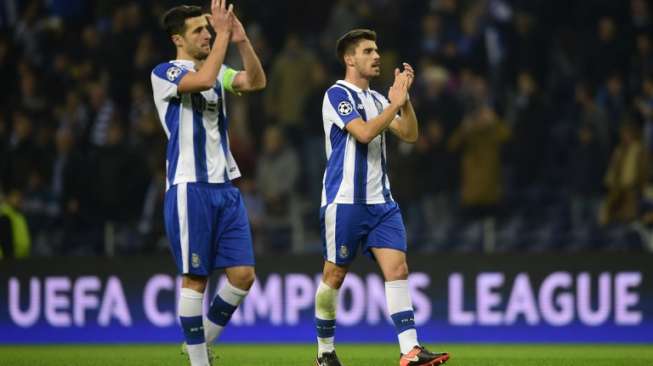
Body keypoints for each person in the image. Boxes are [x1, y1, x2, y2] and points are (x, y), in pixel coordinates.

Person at [314, 29, 450, 366]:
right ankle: (325, 351)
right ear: (350, 59)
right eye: (368, 51)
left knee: (398, 269)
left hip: (381, 203)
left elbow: (410, 133)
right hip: (344, 201)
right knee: (334, 276)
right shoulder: (336, 94)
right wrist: (393, 104)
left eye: (377, 50)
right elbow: (363, 132)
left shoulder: (377, 100)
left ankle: (410, 350)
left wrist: (404, 100)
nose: (377, 56)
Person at [150, 1, 266, 365]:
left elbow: (256, 81)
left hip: (225, 189)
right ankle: (200, 362)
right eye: (199, 29)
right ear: (177, 39)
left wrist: (242, 41)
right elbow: (199, 80)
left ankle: (196, 344)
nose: (207, 33)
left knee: (243, 276)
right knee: (195, 278)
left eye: (208, 28)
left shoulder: (218, 71)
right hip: (189, 187)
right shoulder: (165, 72)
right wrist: (223, 38)